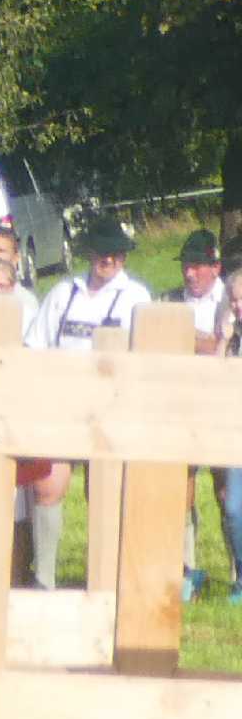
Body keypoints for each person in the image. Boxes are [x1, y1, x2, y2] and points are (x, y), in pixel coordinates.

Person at [9, 218, 153, 589]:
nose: (109, 260)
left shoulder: (135, 297)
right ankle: (44, 580)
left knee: (104, 492)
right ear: (90, 253)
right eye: (102, 252)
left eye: (116, 253)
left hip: (112, 408)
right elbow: (34, 346)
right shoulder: (64, 292)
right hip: (61, 405)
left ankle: (108, 578)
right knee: (47, 487)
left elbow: (147, 358)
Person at [164, 232, 235, 598]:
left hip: (224, 408)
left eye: (197, 266)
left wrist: (193, 340)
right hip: (183, 405)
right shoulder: (170, 300)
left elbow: (226, 346)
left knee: (226, 491)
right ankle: (185, 569)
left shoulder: (231, 298)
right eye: (186, 266)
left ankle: (237, 571)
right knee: (182, 488)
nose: (189, 274)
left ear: (215, 267)